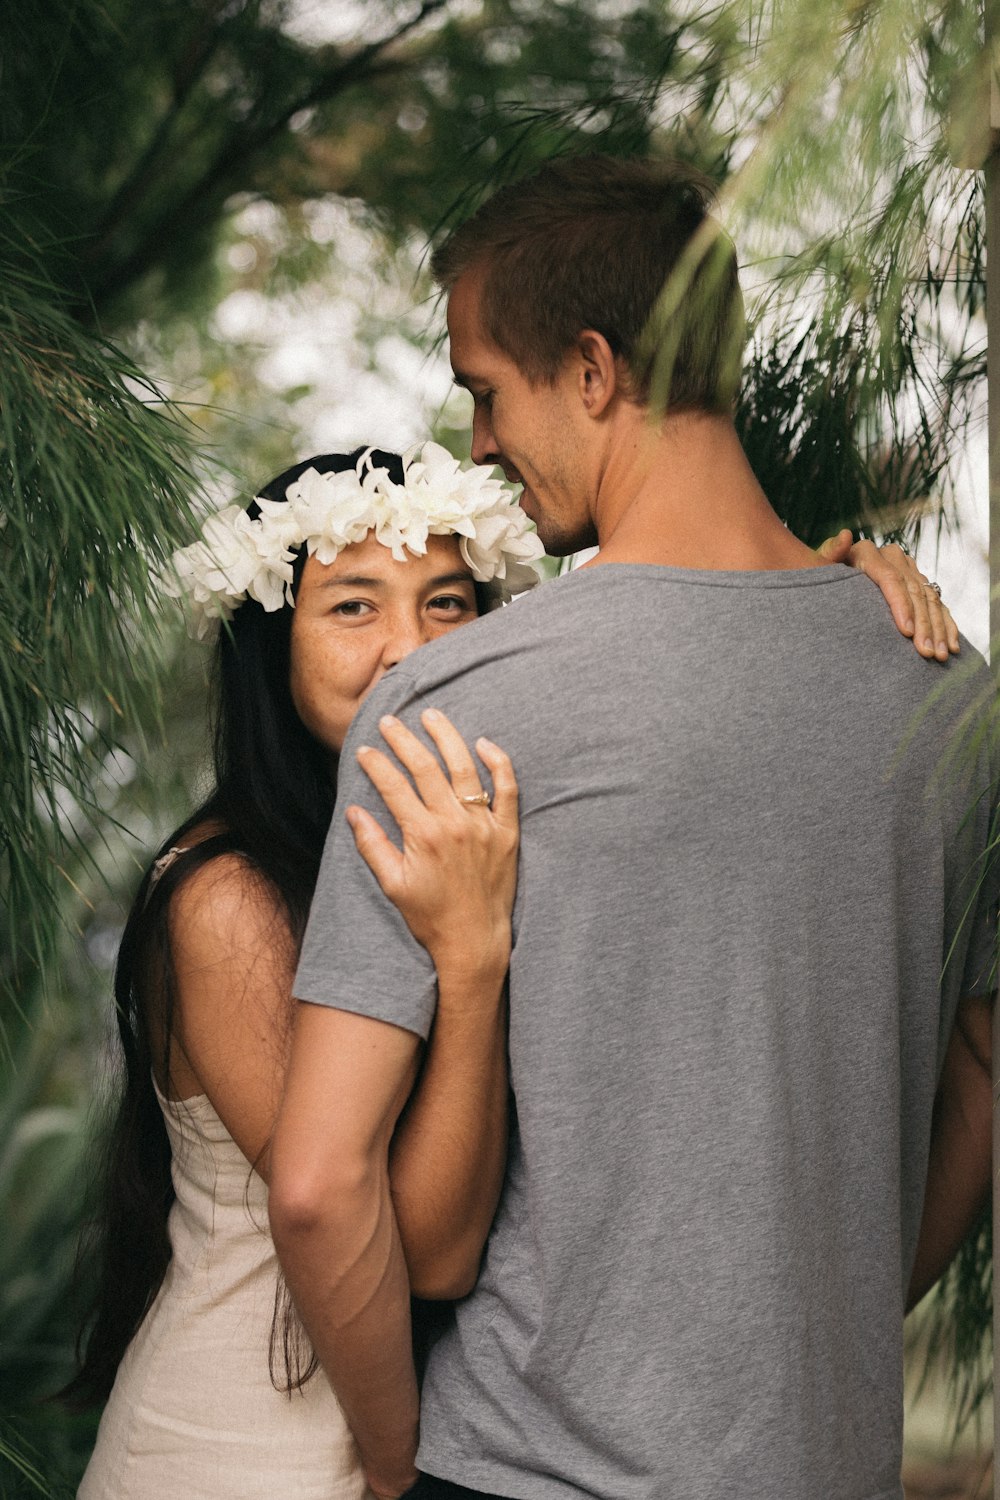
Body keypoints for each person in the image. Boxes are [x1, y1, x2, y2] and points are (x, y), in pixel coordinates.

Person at [268, 155, 997, 1500]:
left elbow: (317, 1187)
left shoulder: (455, 703)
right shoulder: (953, 699)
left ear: (593, 371)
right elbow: (984, 1087)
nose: (478, 442)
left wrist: (389, 1472)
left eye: (487, 388)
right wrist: (795, 1354)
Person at [70, 444, 542, 1500]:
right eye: (353, 607)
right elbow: (426, 1250)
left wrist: (834, 578)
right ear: (270, 645)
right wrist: (471, 968)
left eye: (449, 604)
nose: (409, 652)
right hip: (249, 1452)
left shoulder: (460, 846)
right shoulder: (227, 899)